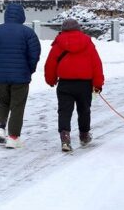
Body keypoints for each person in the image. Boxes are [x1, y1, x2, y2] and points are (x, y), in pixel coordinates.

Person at [0, 3, 41, 149]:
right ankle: (13, 138)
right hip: (21, 76)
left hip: (0, 75)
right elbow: (34, 55)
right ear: (22, 15)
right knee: (17, 105)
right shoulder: (28, 33)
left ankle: (0, 129)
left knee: (2, 101)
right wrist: (29, 70)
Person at [44, 18, 104, 152]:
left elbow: (51, 64)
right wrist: (98, 84)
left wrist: (51, 80)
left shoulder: (58, 43)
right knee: (84, 110)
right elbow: (96, 64)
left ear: (63, 29)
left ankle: (65, 138)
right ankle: (84, 135)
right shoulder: (87, 43)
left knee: (64, 111)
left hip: (65, 83)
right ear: (78, 28)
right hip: (84, 84)